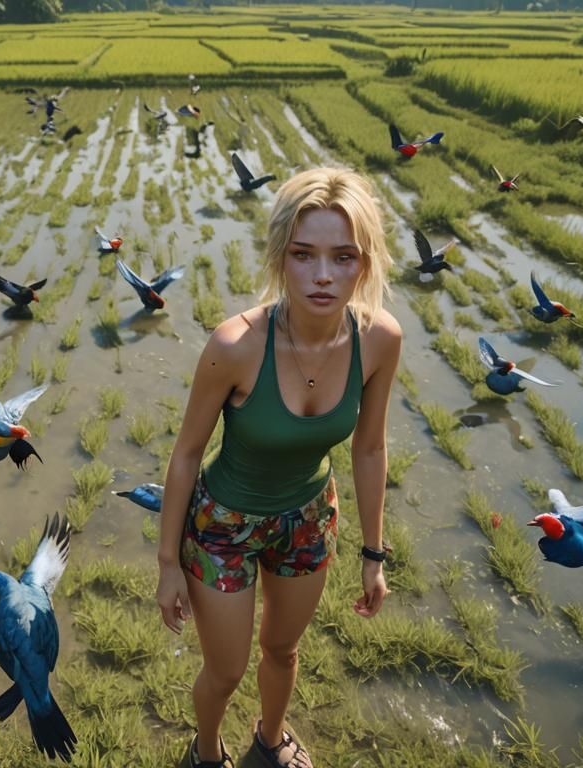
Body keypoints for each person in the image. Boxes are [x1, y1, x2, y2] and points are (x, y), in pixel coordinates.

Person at [156, 167, 400, 768]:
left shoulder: (379, 340)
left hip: (308, 520)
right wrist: (167, 564)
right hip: (223, 527)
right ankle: (207, 754)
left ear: (363, 264)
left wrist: (374, 554)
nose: (322, 275)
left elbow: (369, 448)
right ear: (280, 258)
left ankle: (270, 742)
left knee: (284, 650)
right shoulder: (236, 345)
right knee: (225, 670)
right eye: (303, 255)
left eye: (342, 257)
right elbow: (186, 454)